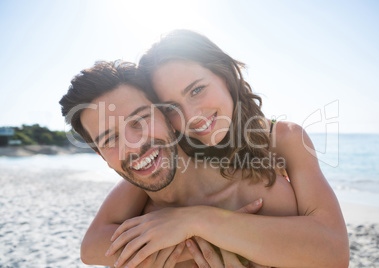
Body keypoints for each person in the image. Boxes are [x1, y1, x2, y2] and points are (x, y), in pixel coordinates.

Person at [59, 56, 348, 267]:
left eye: (141, 120)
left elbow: (334, 252)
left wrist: (198, 221)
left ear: (166, 117)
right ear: (100, 155)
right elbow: (90, 248)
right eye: (109, 139)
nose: (133, 145)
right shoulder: (142, 222)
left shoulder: (259, 176)